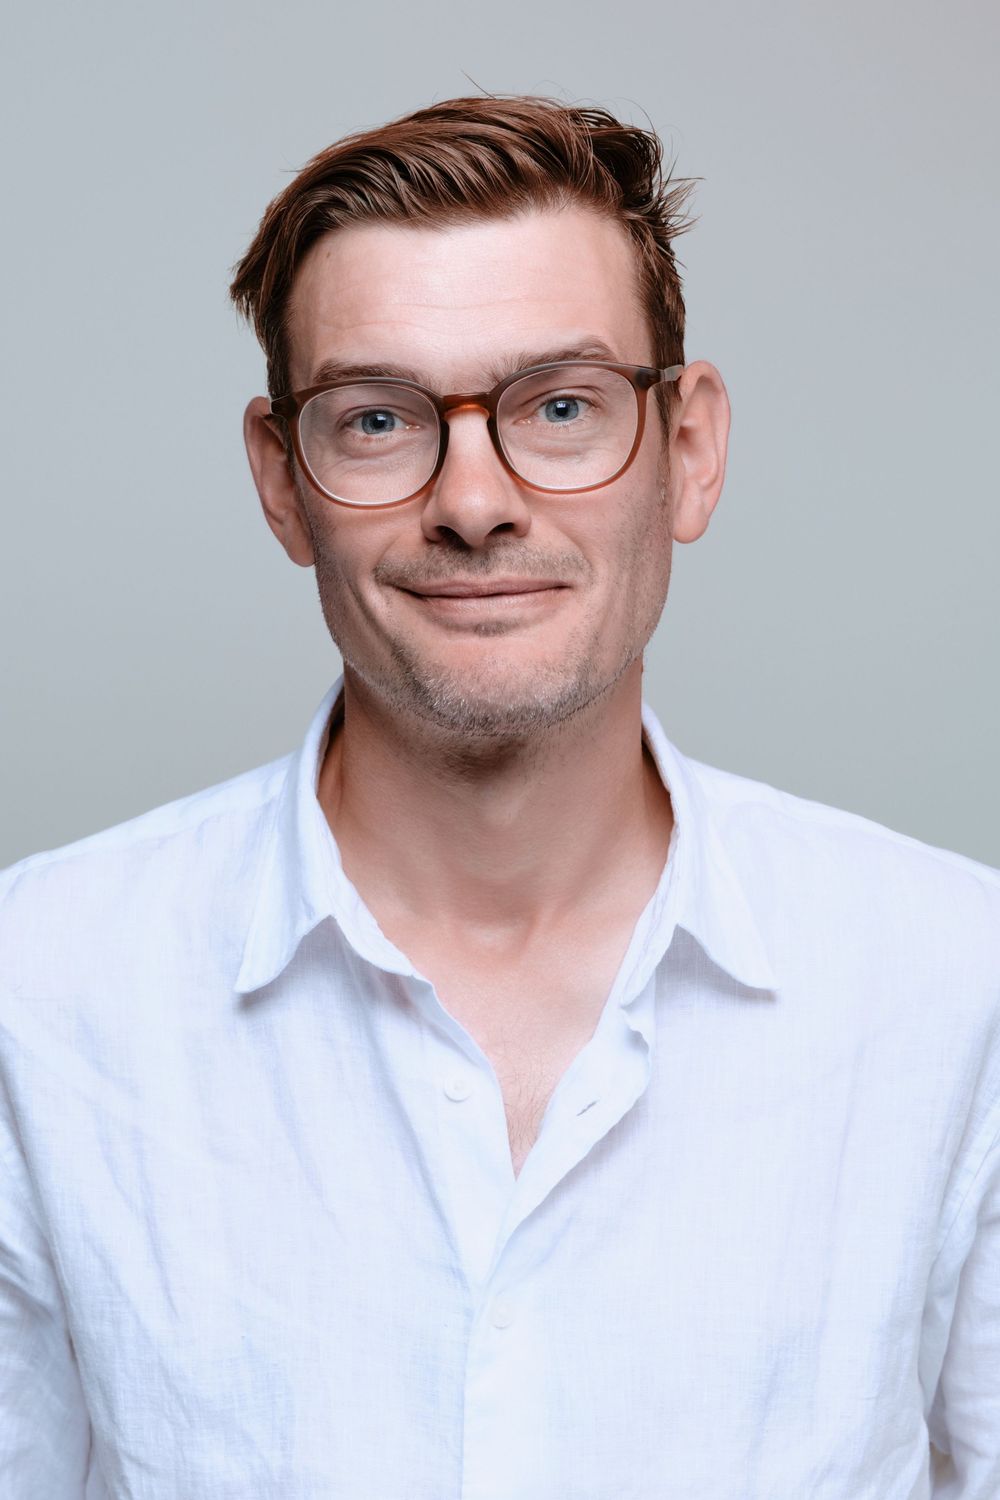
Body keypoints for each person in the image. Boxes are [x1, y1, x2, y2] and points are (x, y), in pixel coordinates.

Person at [0, 94, 996, 1500]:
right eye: (377, 419)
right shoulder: (39, 991)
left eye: (564, 406)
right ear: (282, 482)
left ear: (691, 448)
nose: (475, 501)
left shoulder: (956, 984)